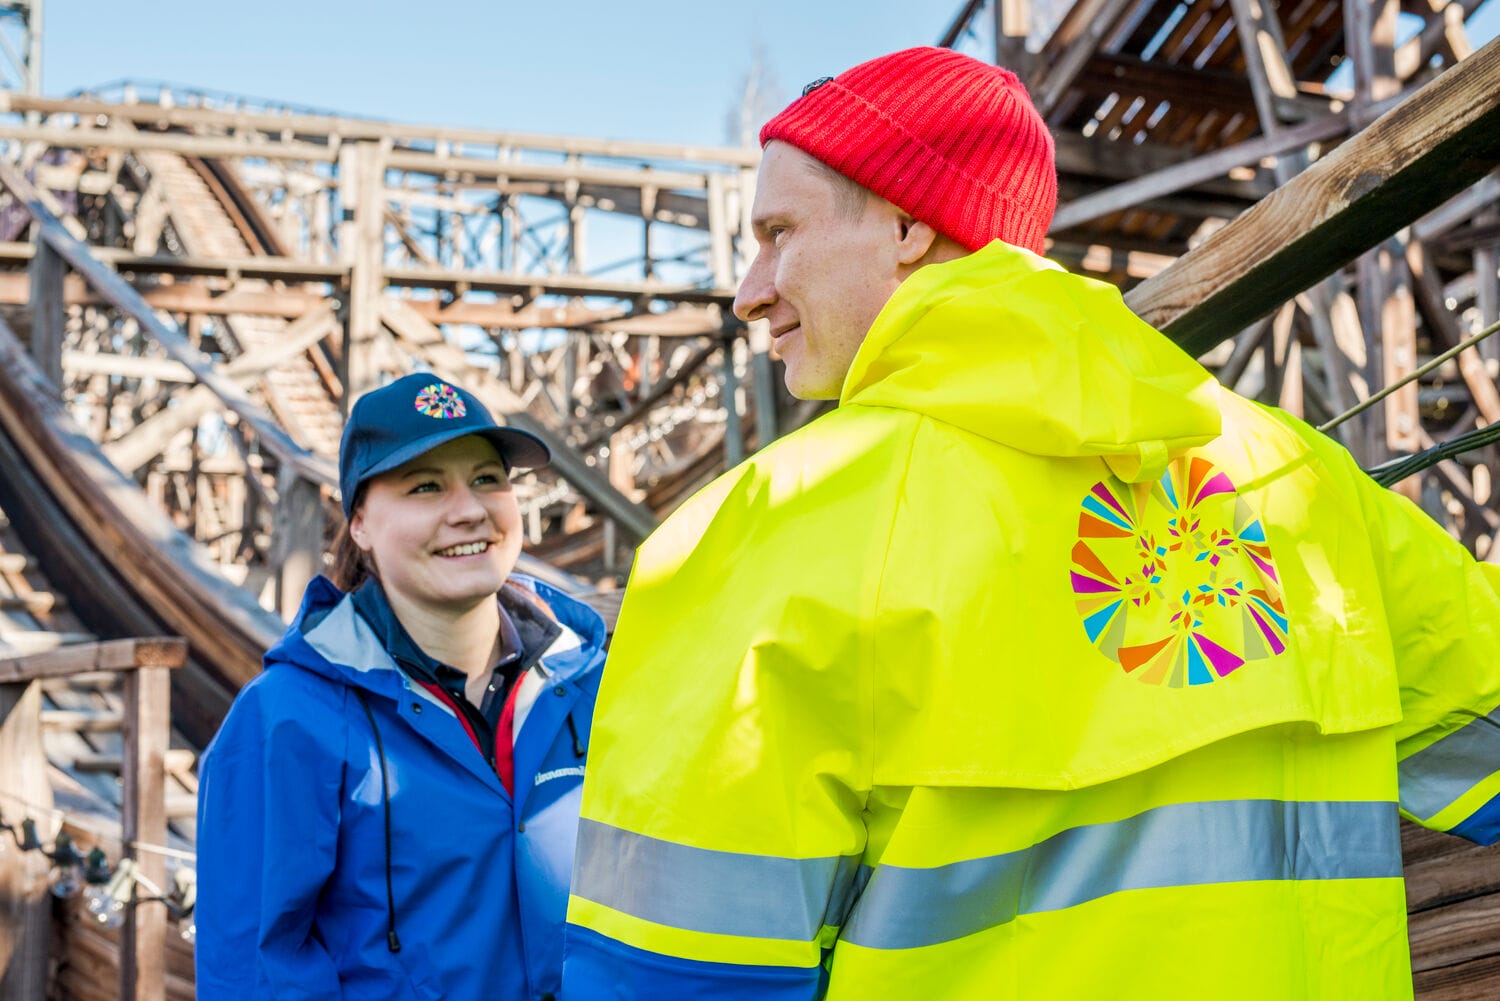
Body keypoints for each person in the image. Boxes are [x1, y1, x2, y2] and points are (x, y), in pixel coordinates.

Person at [563, 46, 1500, 999]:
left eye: (778, 233)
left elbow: (674, 968)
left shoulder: (765, 529)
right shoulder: (1304, 478)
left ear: (904, 225)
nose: (748, 290)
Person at [196, 372, 607, 1001]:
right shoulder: (288, 719)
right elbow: (255, 972)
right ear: (358, 522)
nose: (469, 510)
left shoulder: (591, 684)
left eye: (487, 479)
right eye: (425, 487)